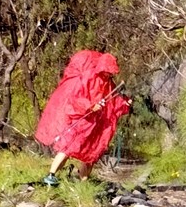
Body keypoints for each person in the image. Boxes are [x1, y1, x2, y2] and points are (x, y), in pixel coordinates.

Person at [34, 50, 131, 185]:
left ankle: (83, 183)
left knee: (90, 154)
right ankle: (51, 175)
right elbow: (76, 98)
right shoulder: (88, 77)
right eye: (107, 71)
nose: (109, 74)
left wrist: (124, 103)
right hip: (81, 121)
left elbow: (112, 101)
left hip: (94, 126)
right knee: (67, 147)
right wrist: (90, 106)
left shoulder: (108, 83)